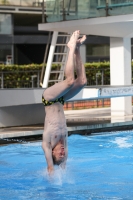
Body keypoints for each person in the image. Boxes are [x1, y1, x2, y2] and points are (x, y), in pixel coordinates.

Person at [42, 30, 87, 174]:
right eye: (64, 155)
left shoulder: (47, 143)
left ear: (52, 153)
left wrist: (51, 172)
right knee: (82, 82)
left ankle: (70, 46)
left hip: (49, 99)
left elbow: (50, 168)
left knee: (69, 81)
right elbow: (63, 165)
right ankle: (77, 49)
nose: (62, 152)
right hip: (60, 100)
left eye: (59, 155)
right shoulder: (65, 145)